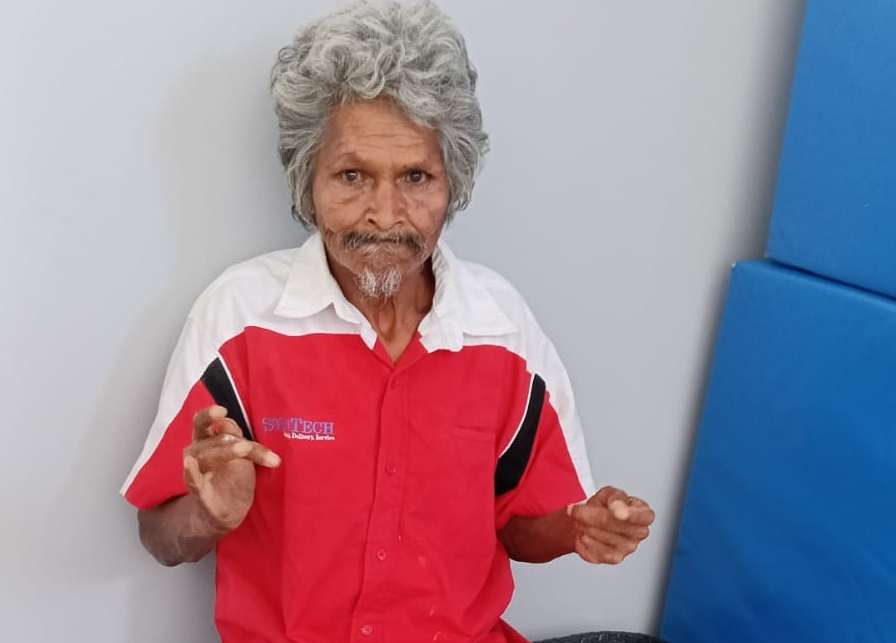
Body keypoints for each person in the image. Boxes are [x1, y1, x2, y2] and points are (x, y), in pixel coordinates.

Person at [121, 2, 655, 642]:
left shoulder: (503, 329)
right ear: (308, 180)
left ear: (452, 184)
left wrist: (576, 528)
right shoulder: (241, 320)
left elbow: (517, 527)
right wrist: (209, 515)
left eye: (416, 177)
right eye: (352, 175)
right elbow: (161, 536)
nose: (384, 212)